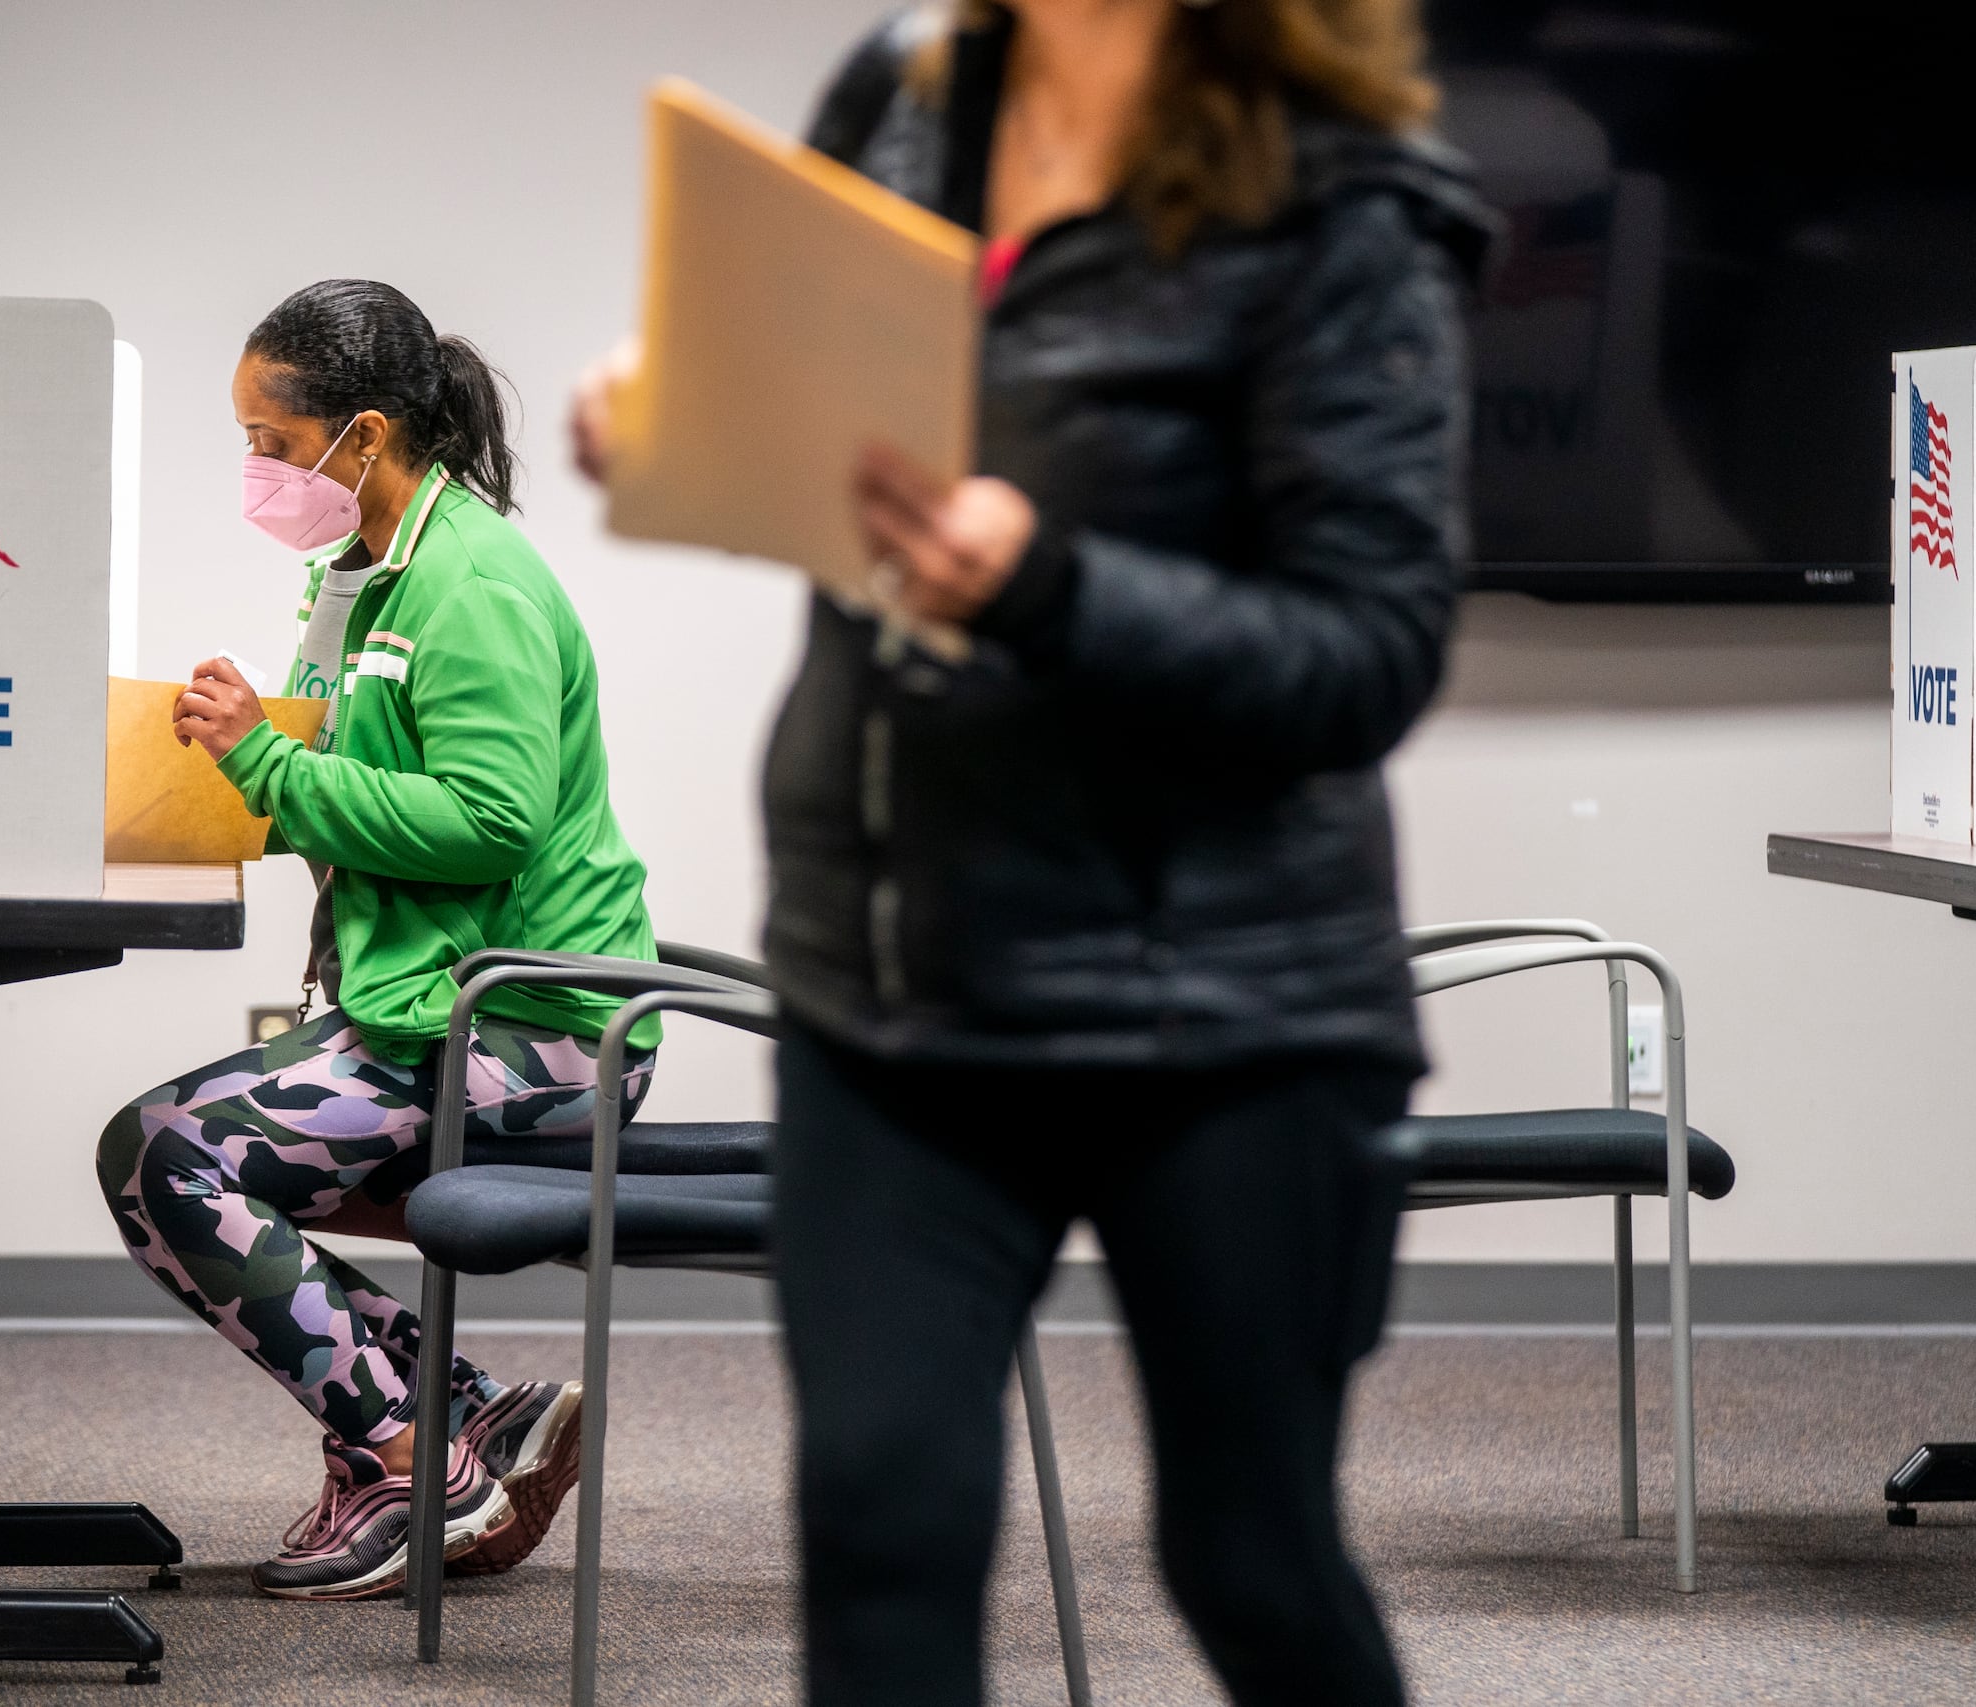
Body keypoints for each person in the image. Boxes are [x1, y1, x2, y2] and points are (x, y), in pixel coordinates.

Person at [574, 1, 1491, 1700]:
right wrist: (682, 425)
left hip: (1230, 1009)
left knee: (1250, 1555)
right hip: (897, 987)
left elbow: (1371, 651)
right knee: (879, 1525)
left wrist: (1050, 586)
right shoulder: (906, 93)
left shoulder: (1344, 197)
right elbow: (802, 409)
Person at [100, 279, 662, 1601]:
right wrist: (246, 745)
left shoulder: (473, 584)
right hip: (439, 1004)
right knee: (183, 1154)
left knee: (170, 1155)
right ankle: (470, 1413)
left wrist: (271, 768)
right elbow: (348, 774)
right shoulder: (365, 577)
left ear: (364, 436)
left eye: (276, 445)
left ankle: (417, 1462)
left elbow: (487, 820)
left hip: (543, 1027)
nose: (259, 471)